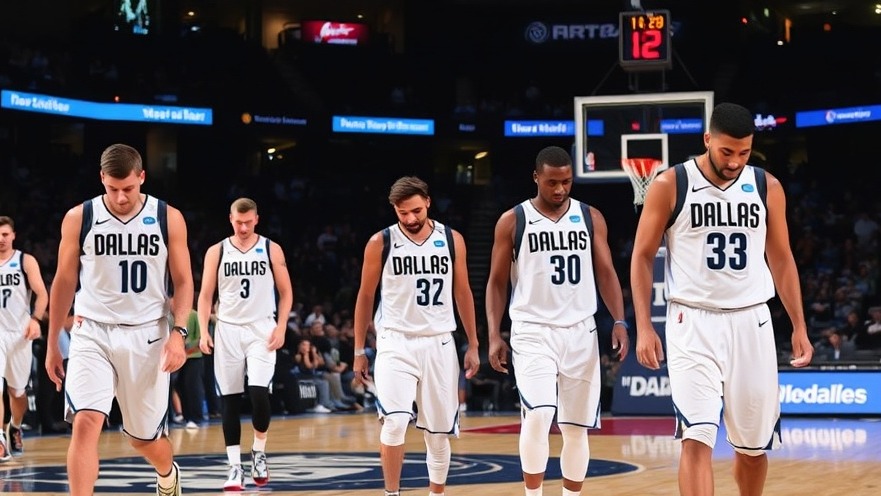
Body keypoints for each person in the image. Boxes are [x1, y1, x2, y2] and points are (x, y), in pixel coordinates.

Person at [630, 102, 814, 495]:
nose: (734, 161)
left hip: (752, 321)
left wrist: (799, 324)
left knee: (752, 448)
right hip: (690, 321)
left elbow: (781, 257)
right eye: (726, 151)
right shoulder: (670, 184)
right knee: (695, 436)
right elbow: (642, 256)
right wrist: (644, 326)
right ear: (707, 139)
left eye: (744, 152)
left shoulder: (767, 186)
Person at [45, 143, 193, 496]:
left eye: (128, 188)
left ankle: (167, 472)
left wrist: (179, 334)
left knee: (143, 440)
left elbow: (184, 280)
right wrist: (52, 342)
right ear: (101, 179)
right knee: (85, 422)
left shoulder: (166, 216)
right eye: (113, 189)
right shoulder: (79, 217)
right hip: (92, 331)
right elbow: (64, 281)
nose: (121, 197)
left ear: (142, 177)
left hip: (148, 336)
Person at [485, 146, 629, 496]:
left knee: (576, 428)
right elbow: (495, 282)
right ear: (536, 177)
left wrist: (620, 320)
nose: (560, 189)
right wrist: (493, 334)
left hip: (582, 331)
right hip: (532, 330)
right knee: (538, 414)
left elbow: (606, 272)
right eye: (552, 182)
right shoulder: (513, 220)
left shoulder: (590, 216)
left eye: (566, 181)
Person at [352, 176, 480, 496]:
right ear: (394, 209)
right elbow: (365, 296)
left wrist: (474, 342)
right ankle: (391, 493)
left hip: (439, 340)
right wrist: (358, 349)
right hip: (396, 340)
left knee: (437, 435)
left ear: (428, 202)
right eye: (402, 212)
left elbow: (462, 292)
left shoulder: (453, 240)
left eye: (416, 211)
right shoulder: (380, 242)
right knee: (395, 422)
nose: (410, 219)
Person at [197, 197, 293, 491]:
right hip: (227, 329)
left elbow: (286, 293)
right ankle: (234, 467)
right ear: (230, 220)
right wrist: (203, 330)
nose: (243, 227)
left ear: (257, 219)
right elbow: (204, 296)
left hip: (262, 328)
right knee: (230, 399)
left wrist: (282, 326)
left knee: (259, 394)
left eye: (248, 222)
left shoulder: (270, 248)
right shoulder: (217, 251)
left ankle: (259, 452)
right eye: (238, 222)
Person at [0, 216, 49, 461]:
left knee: (17, 392)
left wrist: (35, 319)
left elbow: (41, 294)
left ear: (13, 235)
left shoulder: (24, 261)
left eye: (5, 234)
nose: (1, 239)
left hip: (19, 334)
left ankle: (15, 426)